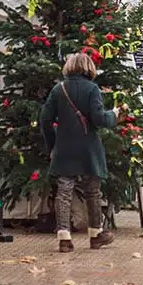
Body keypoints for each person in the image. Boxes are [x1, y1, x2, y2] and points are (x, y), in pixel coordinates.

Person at [40, 53, 118, 253]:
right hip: (89, 149)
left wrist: (52, 145)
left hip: (64, 148)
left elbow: (45, 119)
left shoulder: (59, 89)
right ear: (88, 68)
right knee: (93, 191)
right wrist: (113, 115)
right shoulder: (92, 89)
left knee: (64, 193)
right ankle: (95, 235)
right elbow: (99, 119)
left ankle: (64, 238)